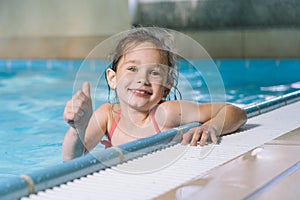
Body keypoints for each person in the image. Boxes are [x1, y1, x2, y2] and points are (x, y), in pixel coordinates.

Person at [62, 28, 247, 161]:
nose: (142, 79)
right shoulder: (107, 116)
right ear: (113, 78)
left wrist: (211, 127)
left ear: (166, 87)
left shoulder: (168, 113)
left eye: (155, 72)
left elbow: (236, 112)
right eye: (132, 68)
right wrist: (77, 128)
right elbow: (73, 157)